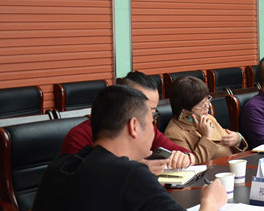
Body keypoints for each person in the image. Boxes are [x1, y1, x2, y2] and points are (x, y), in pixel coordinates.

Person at [28, 85, 227, 211]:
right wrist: (210, 201)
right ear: (134, 126)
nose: (154, 130)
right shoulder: (130, 175)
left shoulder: (58, 165)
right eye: (151, 122)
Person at [61, 70, 194, 173]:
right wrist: (135, 169)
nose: (148, 117)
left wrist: (186, 157)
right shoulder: (80, 135)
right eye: (143, 108)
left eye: (152, 111)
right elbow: (80, 182)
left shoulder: (148, 128)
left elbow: (186, 153)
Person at [163, 76, 247, 164]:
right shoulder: (174, 133)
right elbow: (190, 165)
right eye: (201, 104)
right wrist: (206, 137)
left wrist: (237, 139)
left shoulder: (208, 118)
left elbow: (227, 142)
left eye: (208, 99)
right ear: (185, 109)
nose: (207, 106)